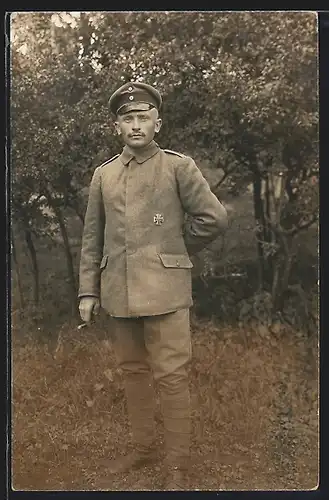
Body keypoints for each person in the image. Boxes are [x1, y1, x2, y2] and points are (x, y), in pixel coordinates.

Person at [78, 81, 228, 490]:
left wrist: (174, 249)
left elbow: (214, 218)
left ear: (157, 123)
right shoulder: (104, 175)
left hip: (165, 291)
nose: (136, 125)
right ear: (117, 127)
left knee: (172, 375)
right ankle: (143, 448)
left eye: (143, 117)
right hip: (118, 292)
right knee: (132, 372)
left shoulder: (178, 166)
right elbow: (93, 237)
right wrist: (88, 291)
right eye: (128, 119)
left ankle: (177, 465)